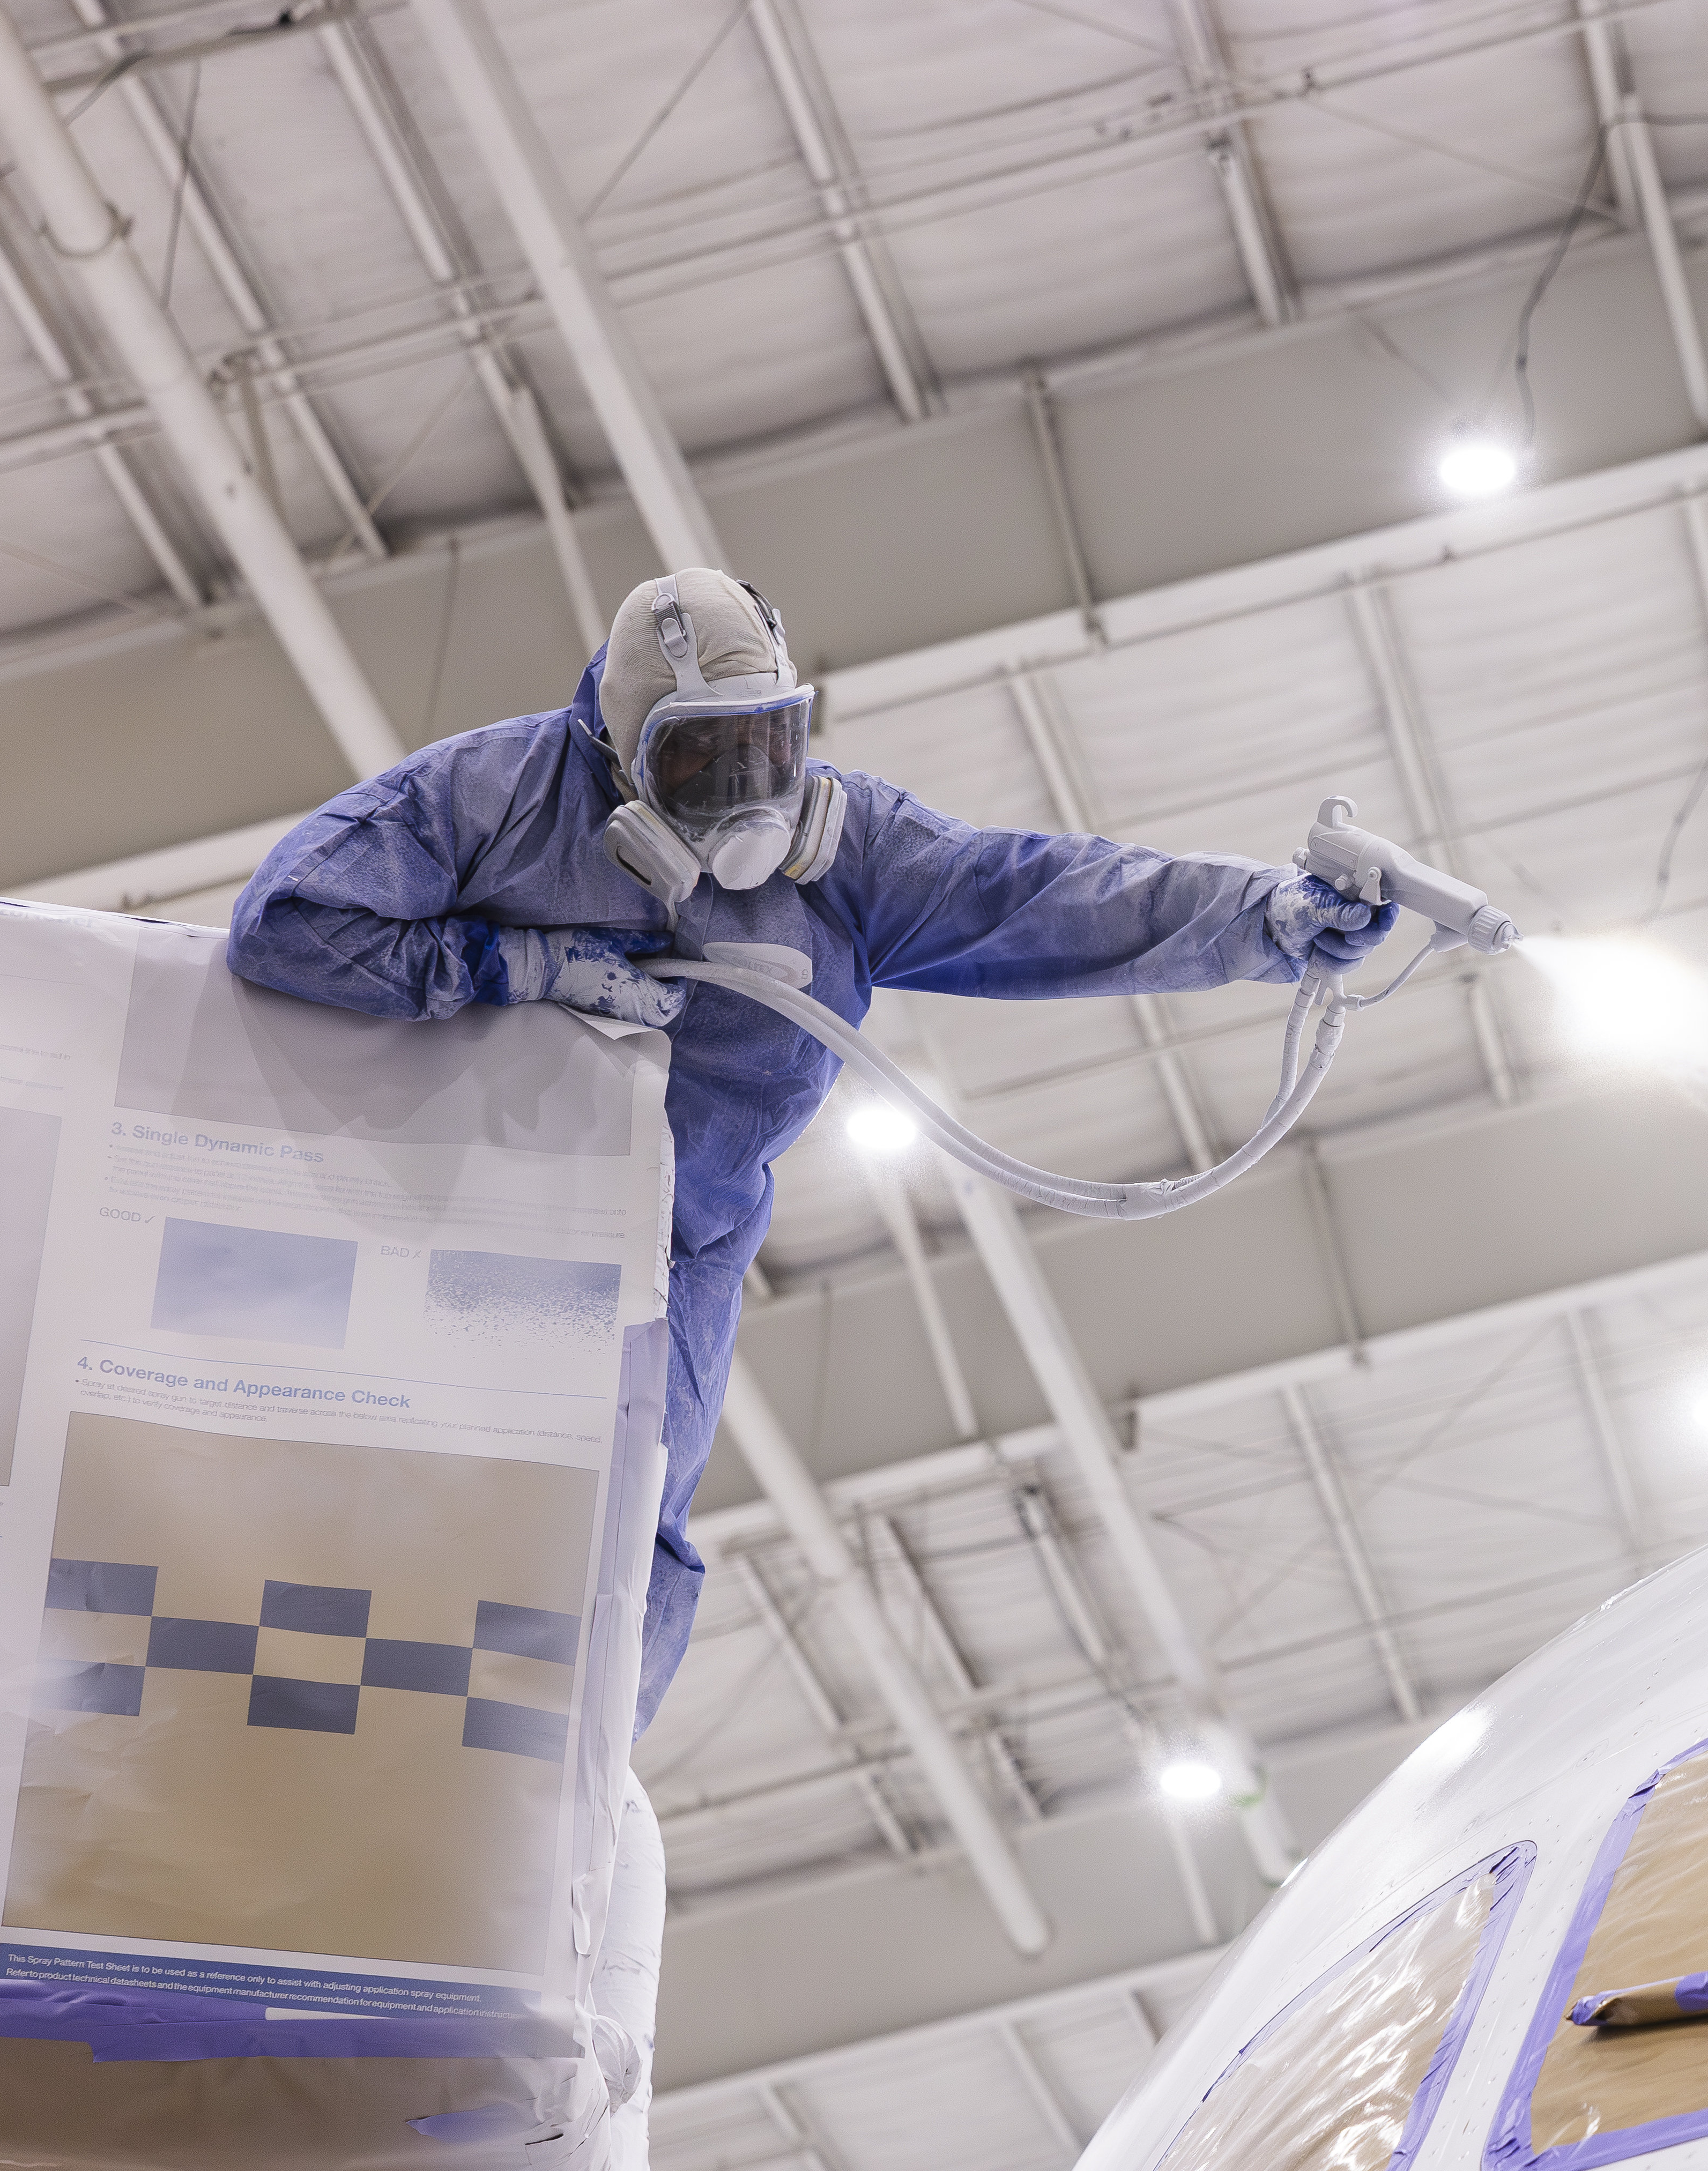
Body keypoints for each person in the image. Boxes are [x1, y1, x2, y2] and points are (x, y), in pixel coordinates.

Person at [231, 568, 1391, 1739]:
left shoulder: (849, 854)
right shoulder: (495, 796)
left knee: (624, 1529)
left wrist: (1265, 918)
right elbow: (290, 918)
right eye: (701, 759)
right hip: (470, 1225)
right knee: (403, 1485)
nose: (748, 795)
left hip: (678, 1247)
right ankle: (299, 1723)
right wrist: (510, 967)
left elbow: (1043, 892)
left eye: (770, 748)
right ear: (622, 750)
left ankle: (551, 1786)